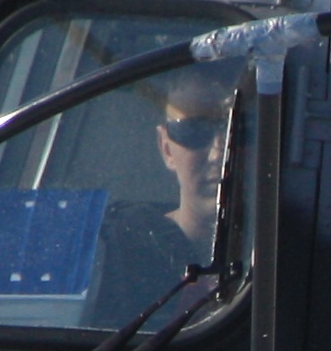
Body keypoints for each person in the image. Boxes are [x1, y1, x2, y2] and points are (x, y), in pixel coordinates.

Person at [85, 64, 236, 327]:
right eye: (194, 130)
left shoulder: (300, 256)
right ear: (166, 148)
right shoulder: (114, 256)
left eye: (240, 130)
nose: (218, 154)